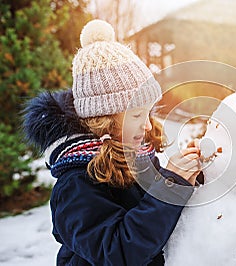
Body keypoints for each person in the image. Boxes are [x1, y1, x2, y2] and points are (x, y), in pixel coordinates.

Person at [22, 19, 201, 265]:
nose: (148, 126)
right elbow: (116, 252)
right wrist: (170, 186)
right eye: (137, 115)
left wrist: (190, 174)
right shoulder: (75, 184)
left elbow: (157, 212)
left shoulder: (136, 155)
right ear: (103, 120)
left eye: (148, 113)